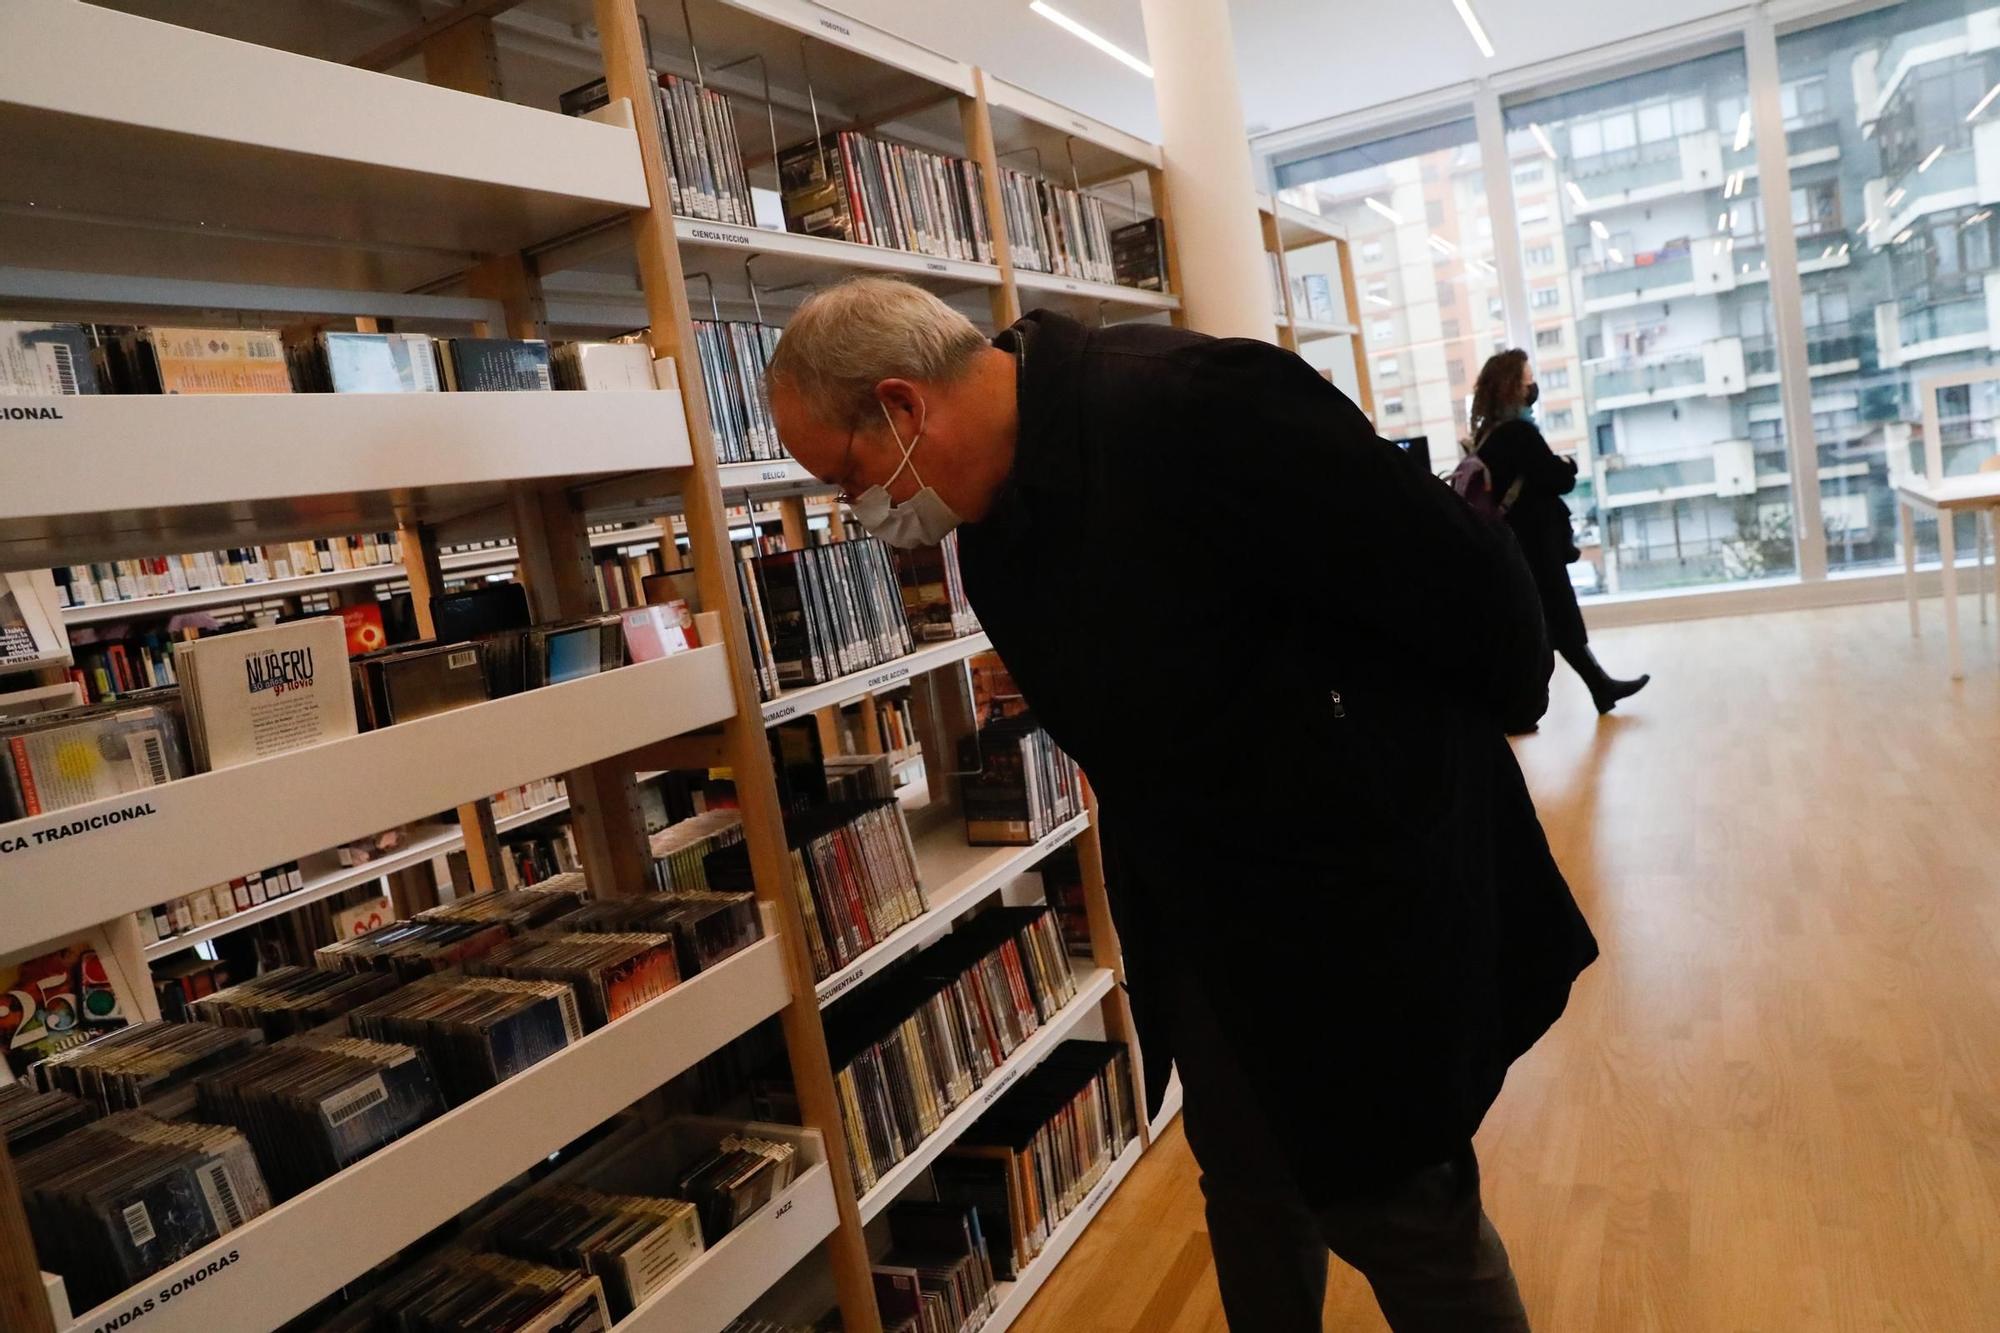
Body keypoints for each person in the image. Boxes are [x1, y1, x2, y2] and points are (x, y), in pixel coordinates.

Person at [766, 277, 1599, 1333]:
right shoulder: (993, 544)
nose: (865, 514)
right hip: (1207, 927)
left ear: (901, 404)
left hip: (1354, 906)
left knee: (1400, 1206)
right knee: (1247, 1190)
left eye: (848, 478)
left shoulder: (1195, 405)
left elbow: (1456, 580)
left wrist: (1426, 769)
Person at [1467, 349, 1649, 715]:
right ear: (1511, 387)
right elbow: (1554, 477)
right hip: (1533, 545)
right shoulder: (1518, 432)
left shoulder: (1490, 434)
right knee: (1552, 622)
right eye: (1526, 380)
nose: (1532, 387)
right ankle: (1525, 706)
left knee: (1550, 623)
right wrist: (1567, 465)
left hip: (1520, 543)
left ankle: (1598, 688)